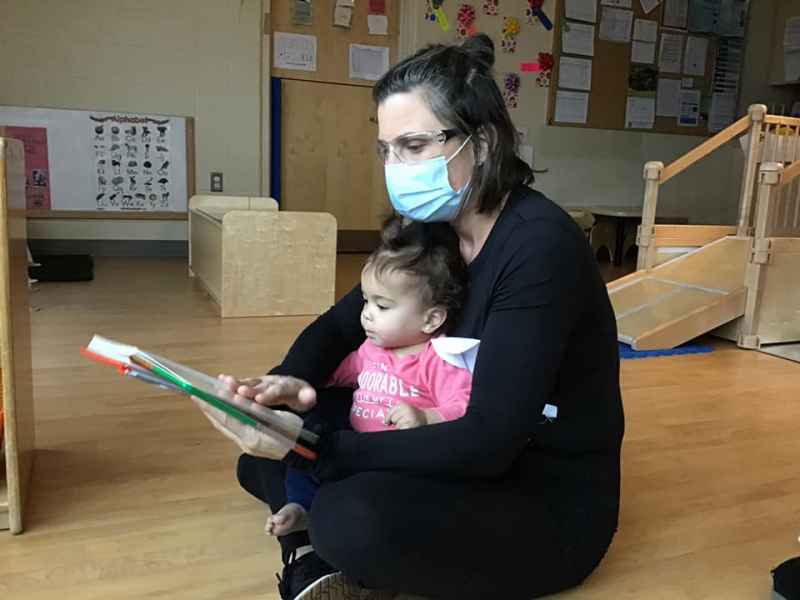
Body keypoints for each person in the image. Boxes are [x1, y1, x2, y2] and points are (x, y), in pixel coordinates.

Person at [196, 33, 624, 600]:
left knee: (345, 511)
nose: (396, 168)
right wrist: (288, 383)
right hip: (436, 432)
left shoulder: (539, 248)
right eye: (386, 150)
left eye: (414, 145)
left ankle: (316, 539)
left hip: (538, 490)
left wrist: (319, 449)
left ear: (483, 143)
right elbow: (339, 325)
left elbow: (490, 440)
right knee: (265, 451)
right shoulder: (433, 230)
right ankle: (313, 553)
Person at [267, 216, 475, 540]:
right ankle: (300, 507)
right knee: (302, 452)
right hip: (354, 442)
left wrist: (426, 416)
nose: (366, 313)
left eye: (382, 306)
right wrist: (297, 386)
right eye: (366, 300)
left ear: (431, 318)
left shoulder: (438, 359)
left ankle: (327, 517)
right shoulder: (371, 349)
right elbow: (340, 374)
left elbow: (462, 405)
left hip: (394, 459)